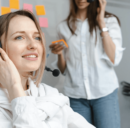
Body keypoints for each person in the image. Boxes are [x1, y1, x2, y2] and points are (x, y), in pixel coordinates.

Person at [0, 10, 95, 128]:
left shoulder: (48, 95)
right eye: (19, 37)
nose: (33, 45)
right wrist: (15, 87)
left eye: (37, 38)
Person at [50, 0, 124, 128]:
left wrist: (101, 23)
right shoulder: (63, 27)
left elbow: (114, 59)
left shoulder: (110, 21)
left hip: (104, 93)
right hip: (75, 95)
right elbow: (64, 70)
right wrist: (59, 53)